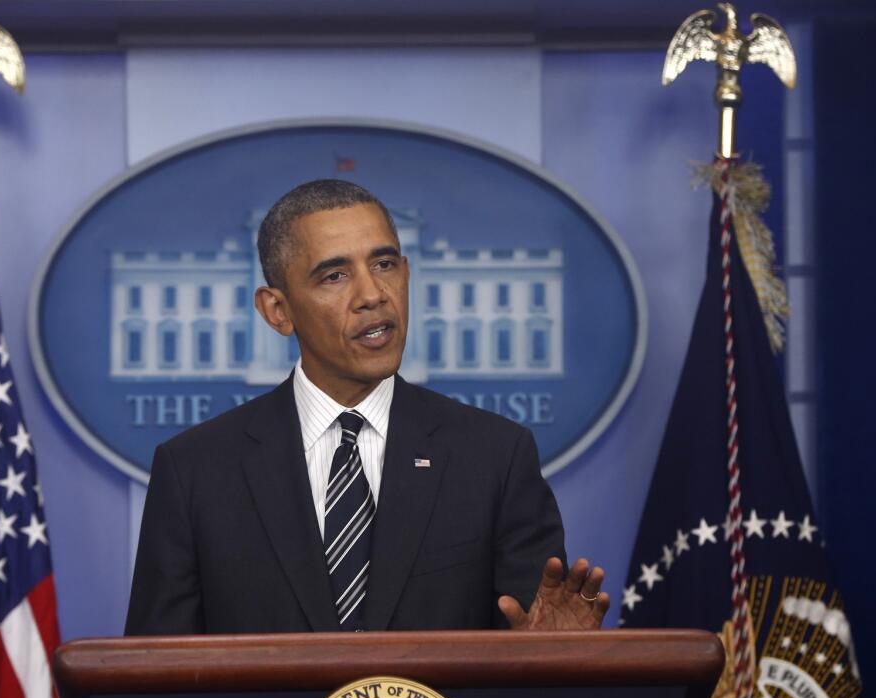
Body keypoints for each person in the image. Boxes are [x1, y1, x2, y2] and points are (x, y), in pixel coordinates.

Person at [124, 179, 610, 635]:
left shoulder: (496, 458)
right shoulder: (194, 473)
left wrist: (550, 654)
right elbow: (154, 686)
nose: (373, 295)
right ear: (278, 311)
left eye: (384, 265)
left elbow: (532, 647)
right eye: (334, 275)